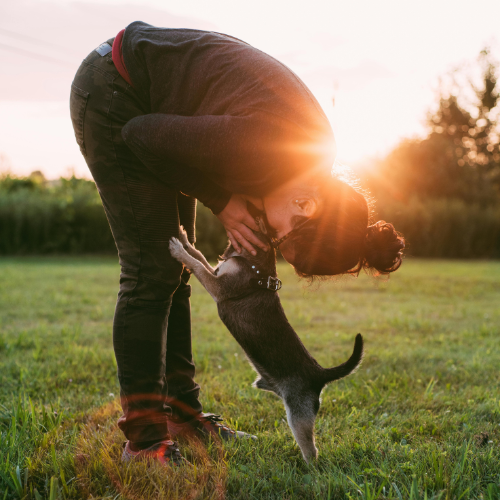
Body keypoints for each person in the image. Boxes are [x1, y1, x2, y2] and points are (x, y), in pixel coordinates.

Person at [70, 21, 404, 466]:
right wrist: (221, 200)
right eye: (281, 233)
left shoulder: (310, 158)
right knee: (151, 268)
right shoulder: (267, 147)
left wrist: (226, 197)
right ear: (307, 205)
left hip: (149, 100)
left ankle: (183, 417)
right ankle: (145, 442)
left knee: (175, 271)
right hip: (115, 90)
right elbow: (139, 135)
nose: (269, 234)